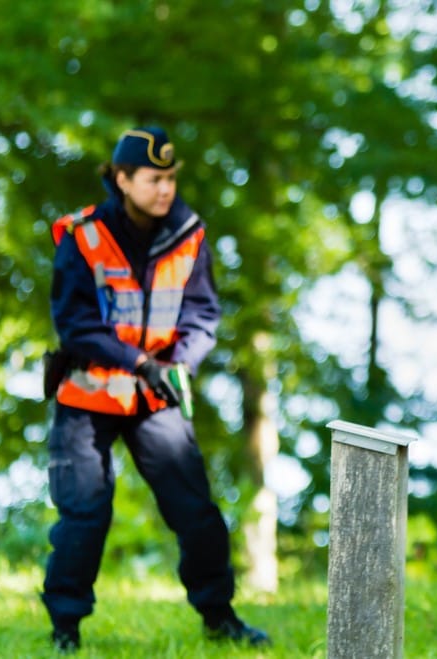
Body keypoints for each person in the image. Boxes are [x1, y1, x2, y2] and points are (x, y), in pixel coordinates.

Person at [42, 127, 269, 653]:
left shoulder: (189, 234)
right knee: (86, 514)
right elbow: (74, 324)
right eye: (152, 179)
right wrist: (140, 362)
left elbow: (203, 314)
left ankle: (219, 618)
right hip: (90, 395)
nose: (164, 189)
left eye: (170, 178)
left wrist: (179, 363)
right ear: (121, 180)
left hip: (156, 398)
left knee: (197, 514)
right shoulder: (83, 236)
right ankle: (65, 630)